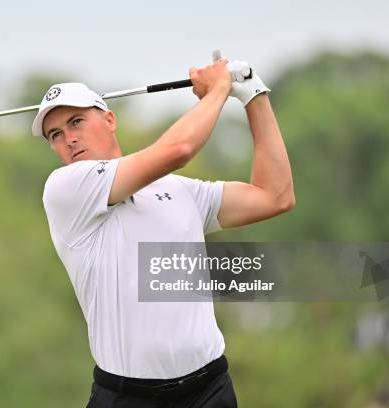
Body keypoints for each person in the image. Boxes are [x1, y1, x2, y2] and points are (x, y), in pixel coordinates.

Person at [32, 54, 295, 407]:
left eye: (76, 121)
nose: (68, 139)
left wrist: (253, 94)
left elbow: (274, 196)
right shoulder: (65, 189)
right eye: (55, 134)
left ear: (110, 119)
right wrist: (219, 89)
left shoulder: (180, 191)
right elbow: (179, 149)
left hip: (210, 389)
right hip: (128, 397)